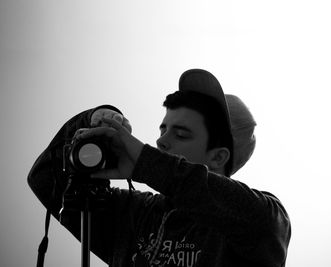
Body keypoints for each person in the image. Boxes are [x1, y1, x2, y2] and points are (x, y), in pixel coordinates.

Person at [28, 69, 291, 267]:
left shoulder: (262, 219)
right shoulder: (137, 212)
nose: (160, 141)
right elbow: (45, 178)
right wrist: (94, 118)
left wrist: (144, 162)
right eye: (163, 128)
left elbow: (255, 217)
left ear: (219, 156)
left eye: (181, 133)